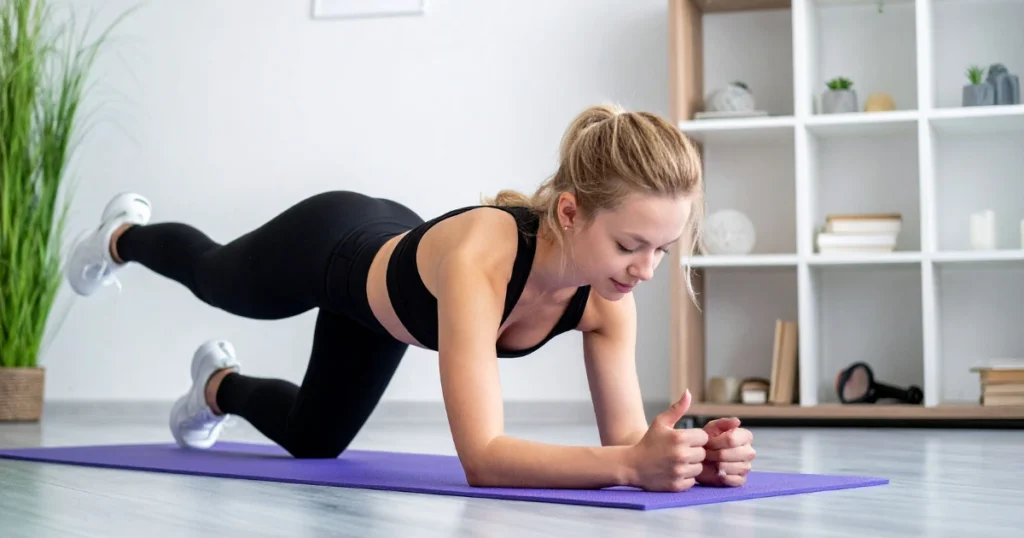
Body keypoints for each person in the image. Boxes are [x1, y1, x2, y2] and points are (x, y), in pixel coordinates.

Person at [65, 103, 755, 492]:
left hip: (388, 306)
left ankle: (215, 387)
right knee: (218, 278)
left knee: (314, 443)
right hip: (333, 246)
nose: (645, 269)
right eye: (631, 245)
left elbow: (628, 446)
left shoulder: (607, 302)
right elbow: (483, 458)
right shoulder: (485, 258)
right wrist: (633, 466)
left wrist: (690, 455)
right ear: (570, 213)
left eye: (662, 251)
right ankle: (122, 235)